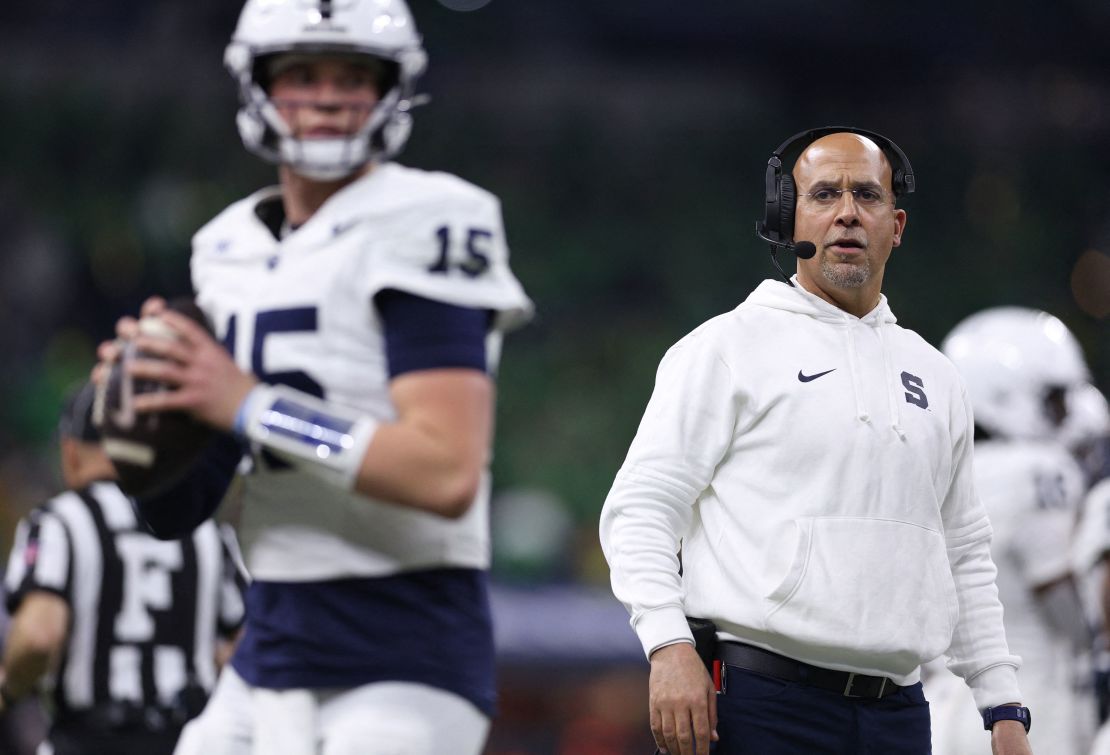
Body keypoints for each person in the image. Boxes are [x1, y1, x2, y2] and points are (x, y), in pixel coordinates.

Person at [96, 0, 532, 753]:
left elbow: (444, 470)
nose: (327, 95)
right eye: (301, 74)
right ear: (258, 86)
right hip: (270, 642)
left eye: (352, 75)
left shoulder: (430, 216)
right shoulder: (224, 246)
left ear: (392, 89)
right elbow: (179, 507)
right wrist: (147, 409)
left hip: (404, 649)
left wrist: (248, 402)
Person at [599, 127, 1033, 755]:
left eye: (868, 196)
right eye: (825, 194)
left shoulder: (938, 376)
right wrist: (668, 646)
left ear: (897, 224)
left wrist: (1002, 704)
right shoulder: (724, 348)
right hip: (759, 702)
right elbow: (642, 510)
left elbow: (963, 549)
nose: (848, 213)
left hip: (900, 713)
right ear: (786, 217)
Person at [0, 382, 246, 755]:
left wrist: (9, 689)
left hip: (88, 738)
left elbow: (39, 636)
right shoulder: (206, 531)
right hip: (189, 740)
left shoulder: (60, 523)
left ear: (71, 452)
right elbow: (247, 645)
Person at [923, 307, 1095, 755]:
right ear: (1003, 393)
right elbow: (1057, 593)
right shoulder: (1038, 469)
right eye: (1054, 399)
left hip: (941, 701)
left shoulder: (938, 466)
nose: (1066, 413)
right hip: (1027, 700)